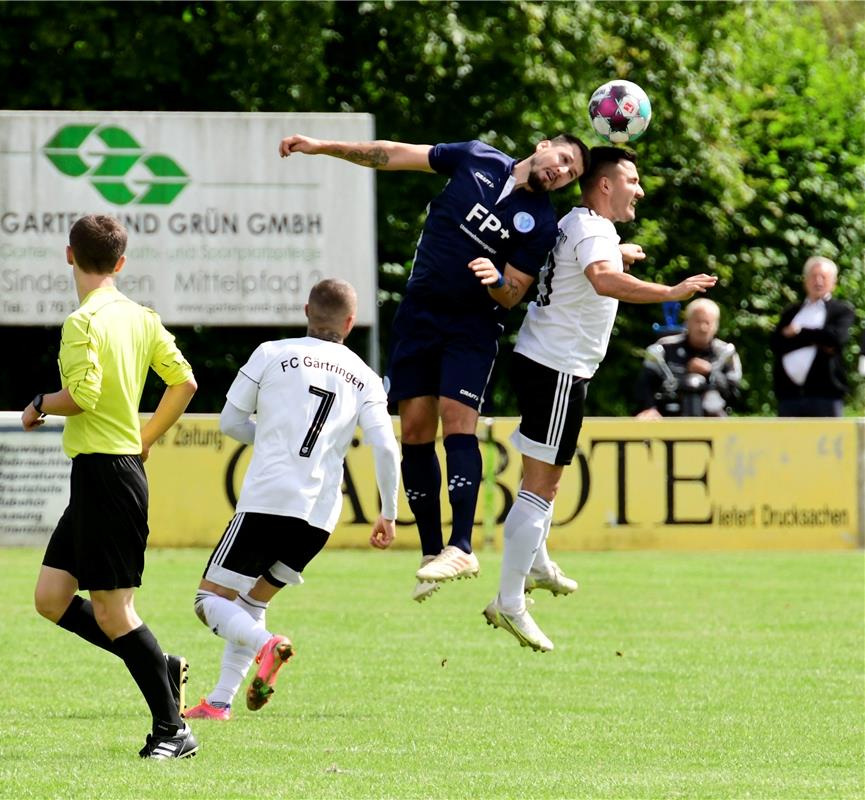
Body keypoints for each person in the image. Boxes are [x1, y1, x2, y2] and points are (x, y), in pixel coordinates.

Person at [279, 130, 589, 603]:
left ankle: (461, 546)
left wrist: (496, 280)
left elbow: (514, 292)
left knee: (456, 418)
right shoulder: (475, 157)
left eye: (572, 174)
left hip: (471, 327)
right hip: (419, 313)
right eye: (563, 159)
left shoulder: (541, 223)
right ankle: (431, 555)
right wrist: (323, 147)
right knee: (416, 431)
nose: (562, 172)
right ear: (543, 145)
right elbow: (392, 154)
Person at [471, 147, 716, 652]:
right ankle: (510, 602)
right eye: (632, 179)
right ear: (605, 186)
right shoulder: (593, 230)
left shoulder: (576, 223)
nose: (640, 189)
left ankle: (535, 565)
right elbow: (602, 279)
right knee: (541, 488)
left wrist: (619, 253)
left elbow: (582, 262)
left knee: (542, 484)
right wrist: (672, 291)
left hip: (543, 361)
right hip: (557, 369)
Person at [21, 214, 200, 760]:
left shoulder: (83, 321)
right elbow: (185, 381)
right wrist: (145, 436)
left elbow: (82, 395)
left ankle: (173, 731)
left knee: (114, 611)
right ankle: (157, 662)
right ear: (120, 263)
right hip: (106, 473)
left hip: (107, 476)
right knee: (52, 599)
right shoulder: (141, 317)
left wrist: (38, 406)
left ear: (68, 255)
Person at [181, 278, 399, 721]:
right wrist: (388, 513)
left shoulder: (272, 353)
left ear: (306, 311)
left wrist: (271, 438)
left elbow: (230, 421)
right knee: (252, 603)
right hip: (319, 515)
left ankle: (268, 645)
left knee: (209, 602)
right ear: (351, 322)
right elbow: (387, 447)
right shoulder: (366, 376)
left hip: (268, 499)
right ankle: (220, 702)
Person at [770, 256, 856, 417]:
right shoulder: (791, 311)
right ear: (805, 280)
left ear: (833, 282)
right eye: (813, 276)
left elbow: (835, 339)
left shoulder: (841, 310)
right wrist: (817, 340)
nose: (818, 281)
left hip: (826, 396)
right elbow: (776, 343)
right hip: (790, 396)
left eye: (823, 277)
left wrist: (799, 333)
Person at [635, 298, 743, 418]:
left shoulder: (725, 352)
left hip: (713, 420)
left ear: (716, 326)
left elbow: (735, 392)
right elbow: (644, 385)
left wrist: (710, 373)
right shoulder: (663, 349)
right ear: (687, 322)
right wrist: (650, 408)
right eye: (698, 321)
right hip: (667, 418)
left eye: (707, 322)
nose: (702, 328)